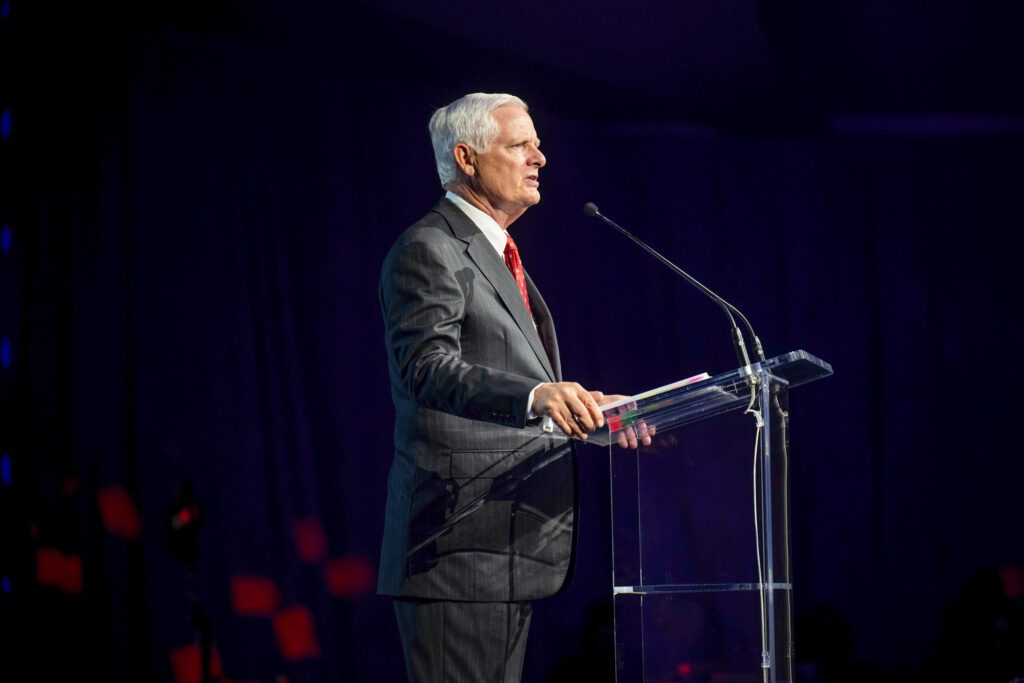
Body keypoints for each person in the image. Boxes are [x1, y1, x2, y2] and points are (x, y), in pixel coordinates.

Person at [377, 92, 649, 682]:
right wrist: (537, 396)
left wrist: (582, 410)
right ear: (466, 158)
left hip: (503, 546)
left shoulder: (496, 253)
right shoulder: (429, 248)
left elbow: (505, 377)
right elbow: (426, 368)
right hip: (455, 547)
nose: (540, 158)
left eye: (538, 145)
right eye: (520, 145)